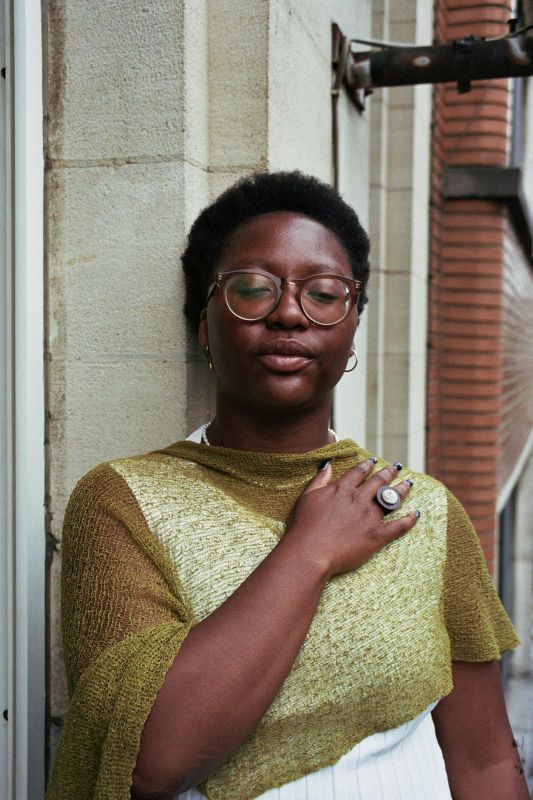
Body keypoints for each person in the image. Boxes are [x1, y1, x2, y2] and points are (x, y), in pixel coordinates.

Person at [46, 171, 529, 800]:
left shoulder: (421, 511)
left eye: (323, 294)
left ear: (350, 331)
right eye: (252, 289)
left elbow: (485, 760)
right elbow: (150, 762)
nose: (289, 314)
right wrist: (311, 550)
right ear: (204, 326)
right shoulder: (122, 502)